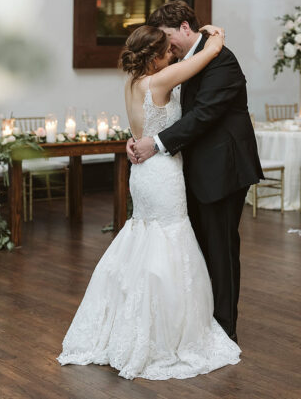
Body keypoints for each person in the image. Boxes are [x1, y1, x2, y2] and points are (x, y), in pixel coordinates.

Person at [57, 23, 240, 380]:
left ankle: (129, 322)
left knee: (143, 238)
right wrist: (216, 35)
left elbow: (141, 128)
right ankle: (162, 331)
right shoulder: (159, 81)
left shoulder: (132, 84)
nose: (173, 55)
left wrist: (136, 141)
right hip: (162, 173)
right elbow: (209, 54)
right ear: (155, 56)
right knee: (170, 241)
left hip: (142, 172)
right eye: (168, 52)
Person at [129, 0, 263, 342]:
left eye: (168, 37)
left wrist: (154, 142)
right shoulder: (182, 62)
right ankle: (199, 322)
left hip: (222, 169)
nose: (166, 46)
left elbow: (203, 115)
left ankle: (224, 329)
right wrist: (141, 139)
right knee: (196, 248)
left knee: (220, 248)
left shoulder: (222, 59)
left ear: (185, 28)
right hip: (185, 170)